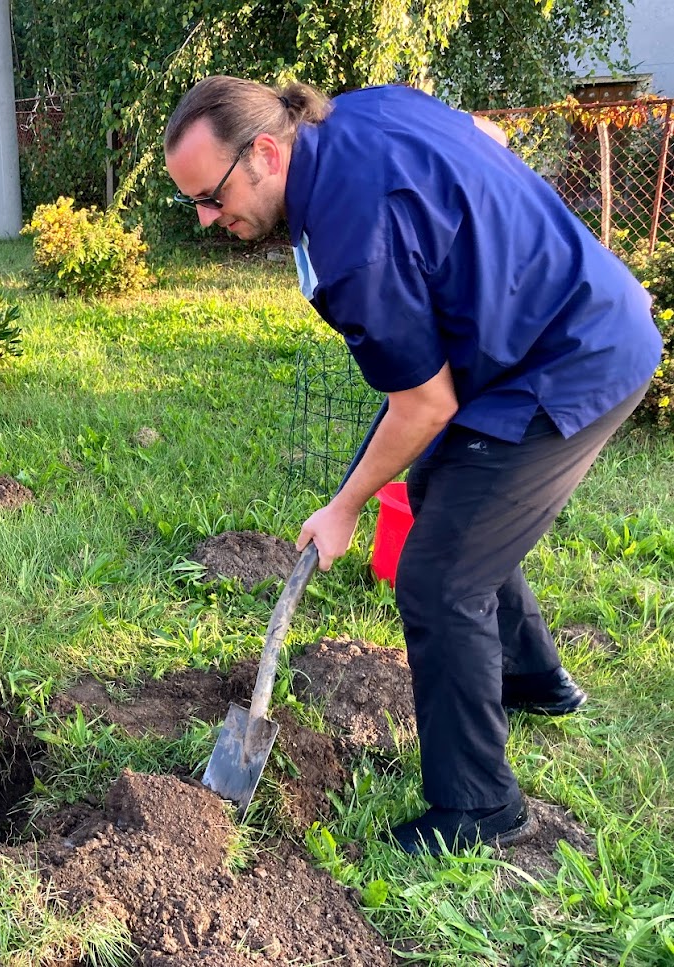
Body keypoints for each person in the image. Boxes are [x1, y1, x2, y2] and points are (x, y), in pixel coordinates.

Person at [164, 77, 661, 855]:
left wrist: (344, 505)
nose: (204, 217)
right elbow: (482, 133)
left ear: (264, 150)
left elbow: (423, 407)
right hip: (533, 335)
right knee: (444, 494)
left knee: (440, 575)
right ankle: (532, 680)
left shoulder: (349, 239)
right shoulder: (355, 110)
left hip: (572, 356)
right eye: (191, 201)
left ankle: (480, 806)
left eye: (210, 194)